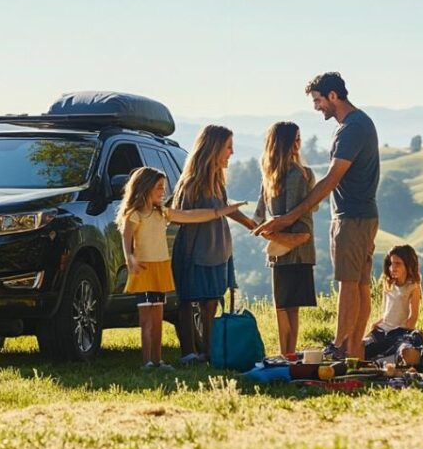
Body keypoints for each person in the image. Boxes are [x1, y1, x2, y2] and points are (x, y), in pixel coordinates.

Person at [254, 72, 380, 360]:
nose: (316, 107)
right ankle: (354, 351)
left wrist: (288, 218)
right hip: (361, 215)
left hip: (352, 217)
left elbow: (331, 179)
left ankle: (339, 346)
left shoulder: (352, 128)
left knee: (349, 283)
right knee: (360, 283)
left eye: (318, 100)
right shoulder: (355, 125)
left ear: (333, 95)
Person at [118, 166, 247, 369]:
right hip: (144, 270)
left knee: (157, 318)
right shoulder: (135, 214)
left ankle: (158, 361)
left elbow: (191, 215)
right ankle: (147, 362)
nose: (163, 191)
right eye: (159, 187)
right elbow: (126, 236)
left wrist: (222, 211)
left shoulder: (162, 213)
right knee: (146, 321)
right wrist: (129, 257)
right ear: (145, 188)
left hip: (161, 269)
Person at [172, 125, 258, 364]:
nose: (232, 152)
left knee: (211, 301)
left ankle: (209, 351)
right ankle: (189, 352)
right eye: (228, 147)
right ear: (214, 148)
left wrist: (250, 223)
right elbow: (180, 216)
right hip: (195, 249)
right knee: (188, 300)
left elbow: (224, 208)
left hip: (218, 249)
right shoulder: (191, 183)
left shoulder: (217, 181)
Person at [252, 122, 317, 357]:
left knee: (284, 306)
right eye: (295, 139)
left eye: (300, 139)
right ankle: (288, 354)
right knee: (288, 306)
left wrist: (266, 231)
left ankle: (286, 354)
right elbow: (271, 213)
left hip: (287, 246)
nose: (298, 144)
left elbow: (275, 215)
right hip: (290, 246)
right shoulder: (290, 173)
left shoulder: (284, 174)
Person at [363, 245, 422, 360]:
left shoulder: (412, 287)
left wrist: (405, 334)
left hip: (398, 332)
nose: (393, 268)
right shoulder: (389, 284)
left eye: (398, 264)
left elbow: (413, 317)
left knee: (390, 352)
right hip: (382, 329)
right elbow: (387, 312)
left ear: (408, 265)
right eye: (391, 263)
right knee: (361, 348)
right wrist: (377, 323)